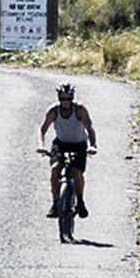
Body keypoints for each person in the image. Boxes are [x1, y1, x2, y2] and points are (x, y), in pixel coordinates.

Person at [39, 83, 97, 218]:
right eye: (62, 99)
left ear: (72, 98)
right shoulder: (54, 111)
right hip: (61, 144)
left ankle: (80, 201)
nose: (65, 102)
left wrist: (93, 145)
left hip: (79, 145)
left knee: (77, 171)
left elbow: (89, 127)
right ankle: (55, 203)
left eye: (68, 99)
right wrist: (41, 145)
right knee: (55, 170)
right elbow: (42, 129)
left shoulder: (80, 110)